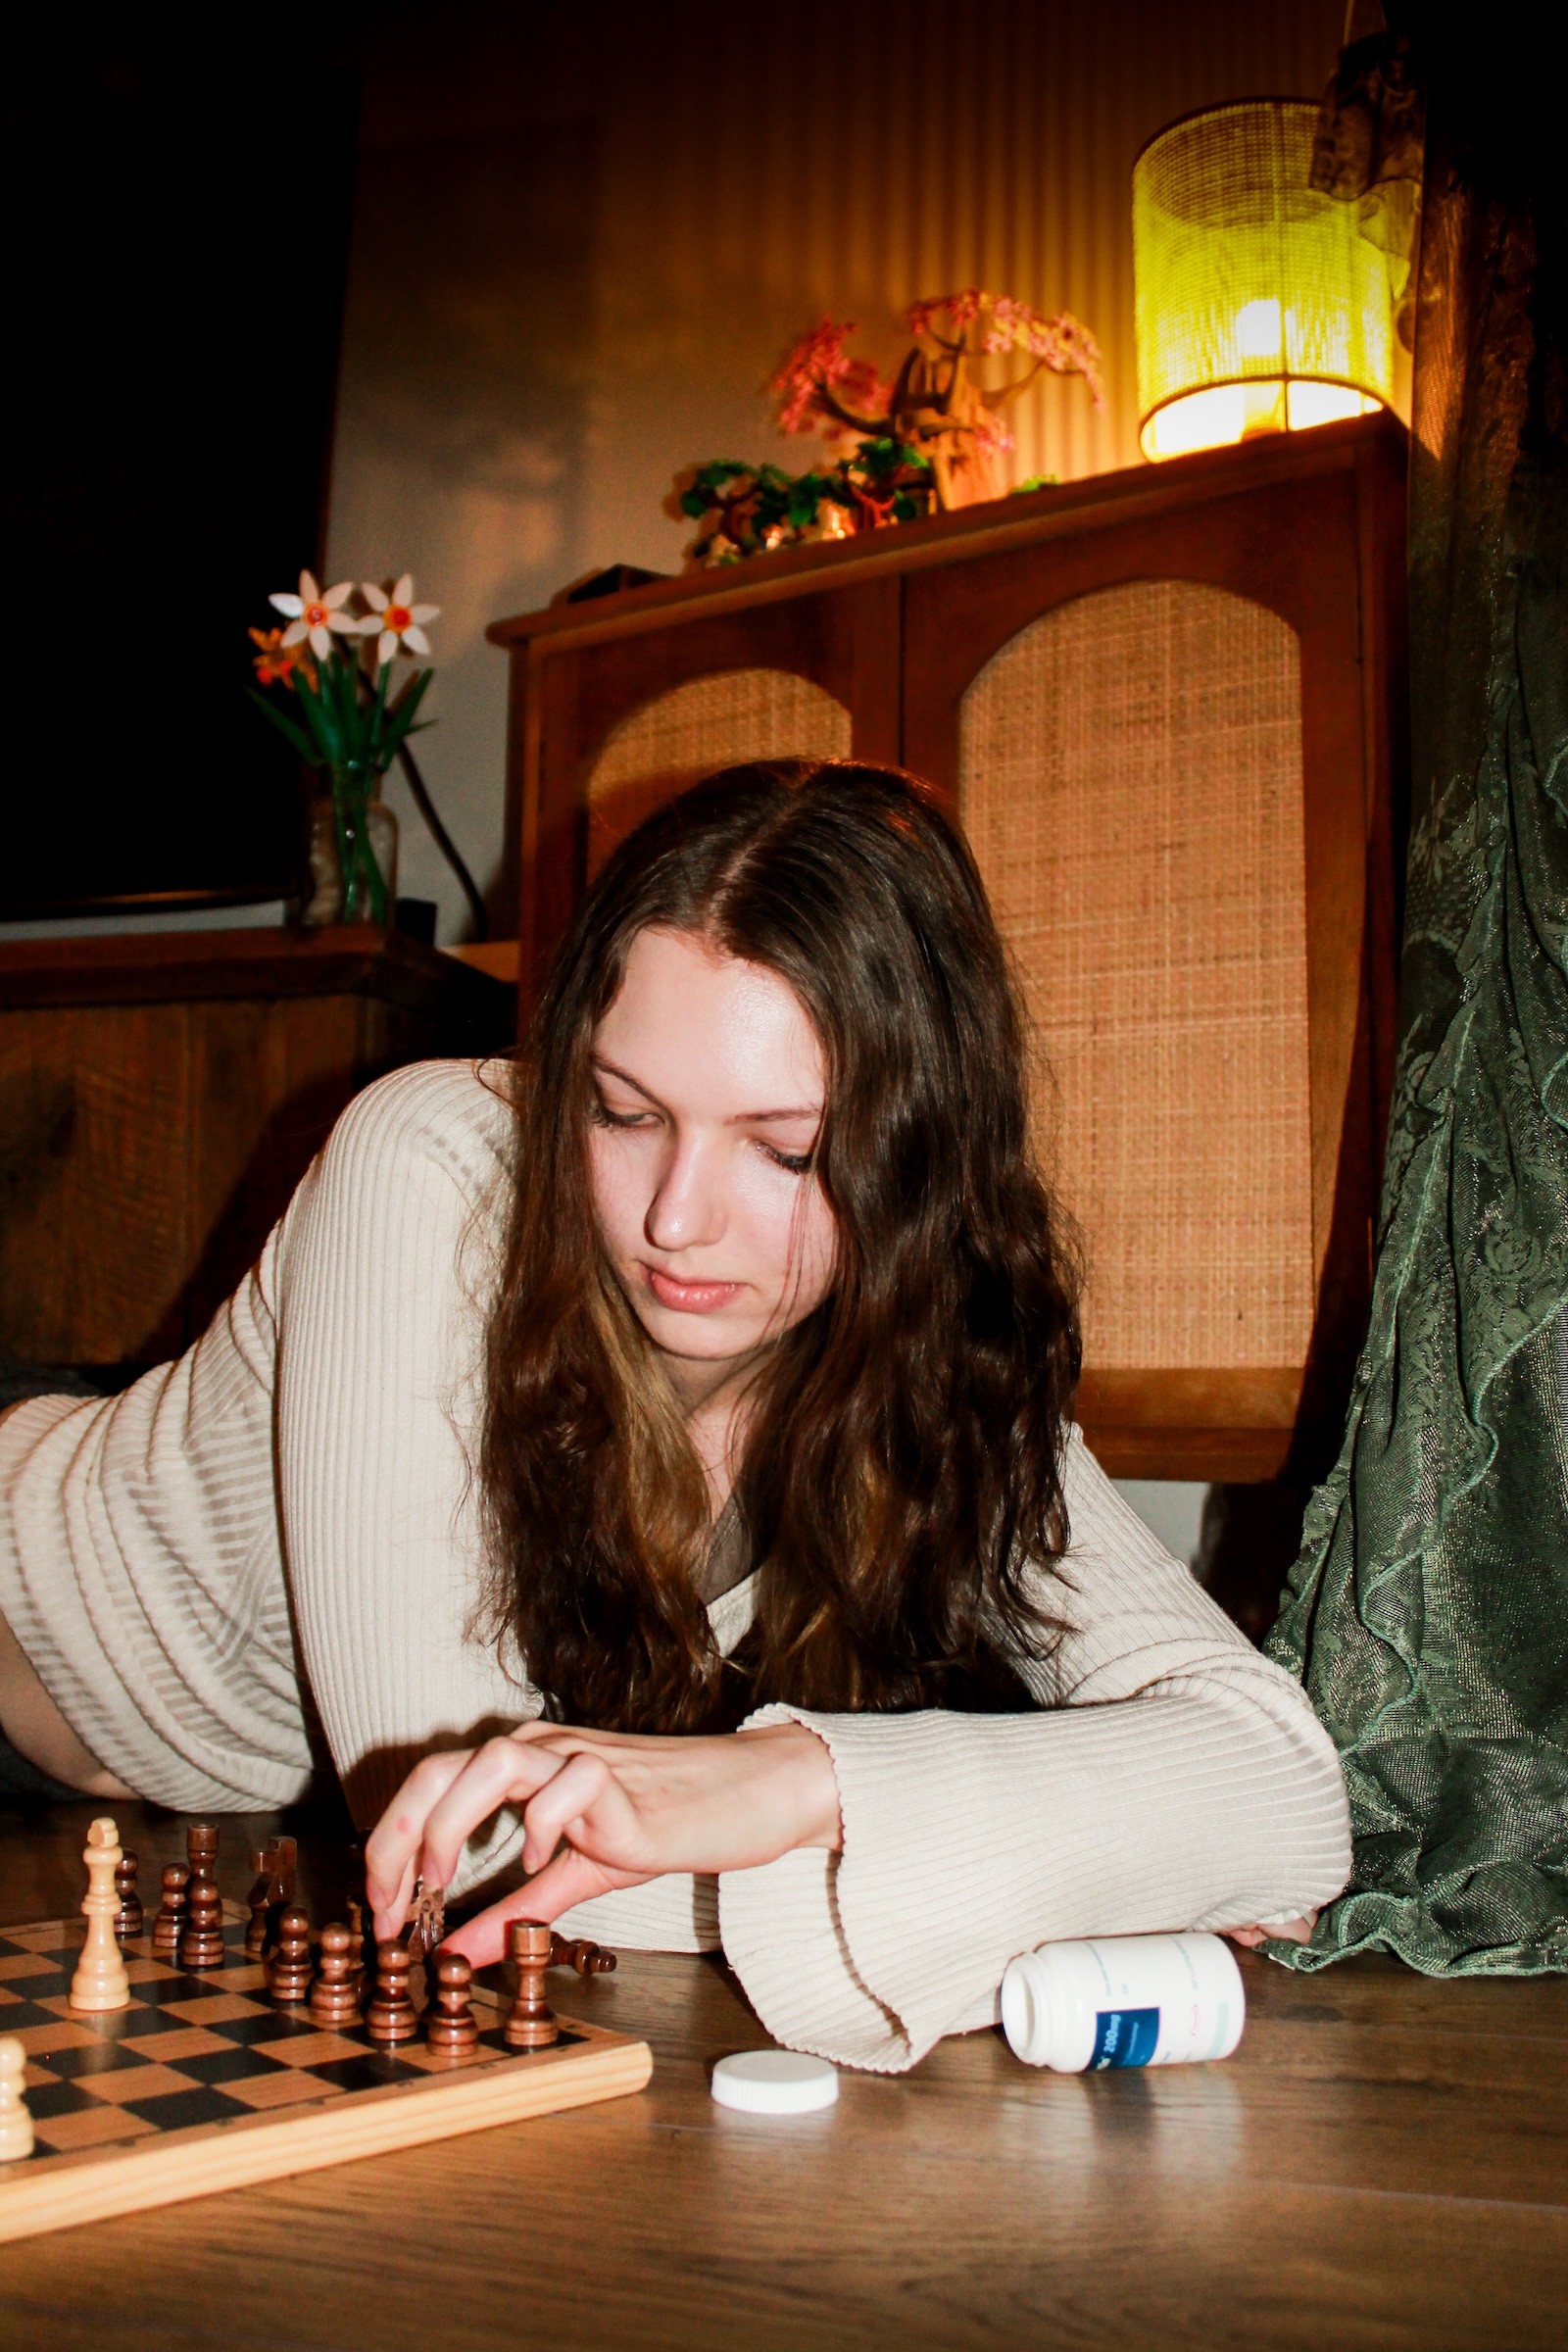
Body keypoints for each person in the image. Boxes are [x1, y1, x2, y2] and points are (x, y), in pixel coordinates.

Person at [0, 762, 1348, 2070]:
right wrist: (1081, 1864)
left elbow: (1282, 1790)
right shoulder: (429, 1163)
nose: (675, 1219)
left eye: (787, 1150)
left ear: (921, 1153)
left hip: (223, 1792)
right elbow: (465, 1856)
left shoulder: (949, 1334)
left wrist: (804, 1785)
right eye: (624, 1112)